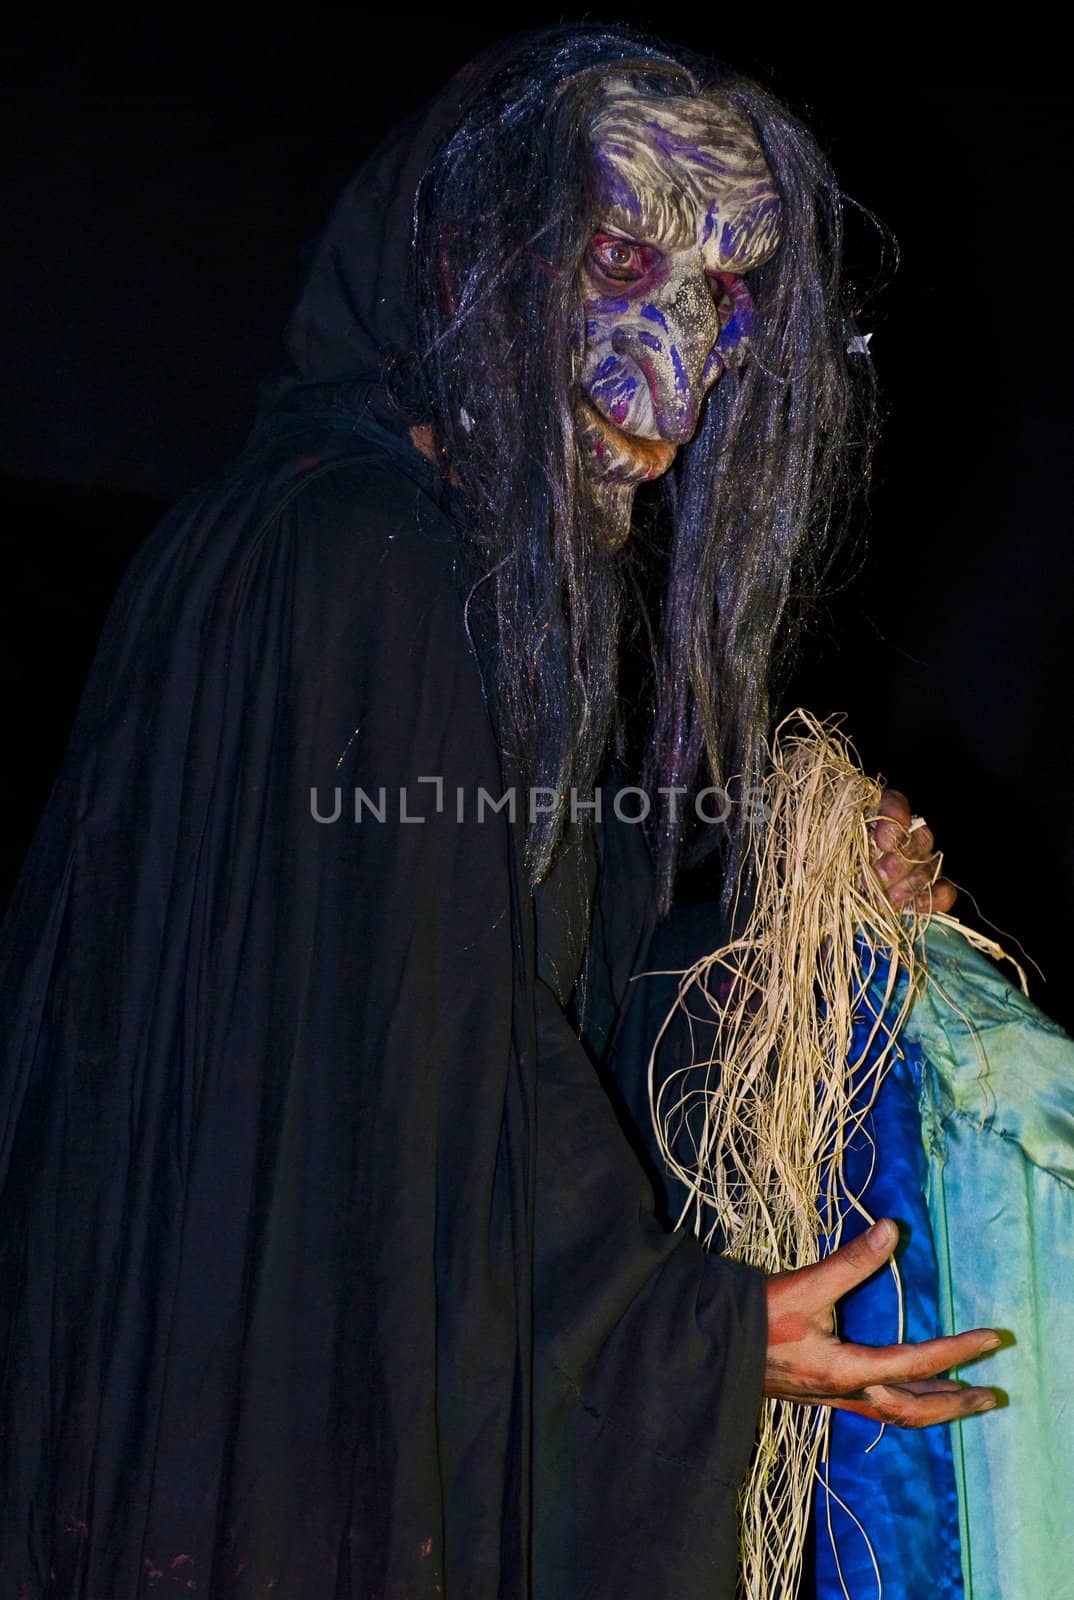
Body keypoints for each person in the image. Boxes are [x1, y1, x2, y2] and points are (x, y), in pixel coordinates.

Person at [0, 24, 999, 1599]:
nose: (678, 364)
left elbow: (497, 1000)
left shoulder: (445, 578)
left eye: (726, 293)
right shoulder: (355, 561)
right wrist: (682, 1332)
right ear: (470, 252)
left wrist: (795, 931)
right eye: (618, 257)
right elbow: (411, 1055)